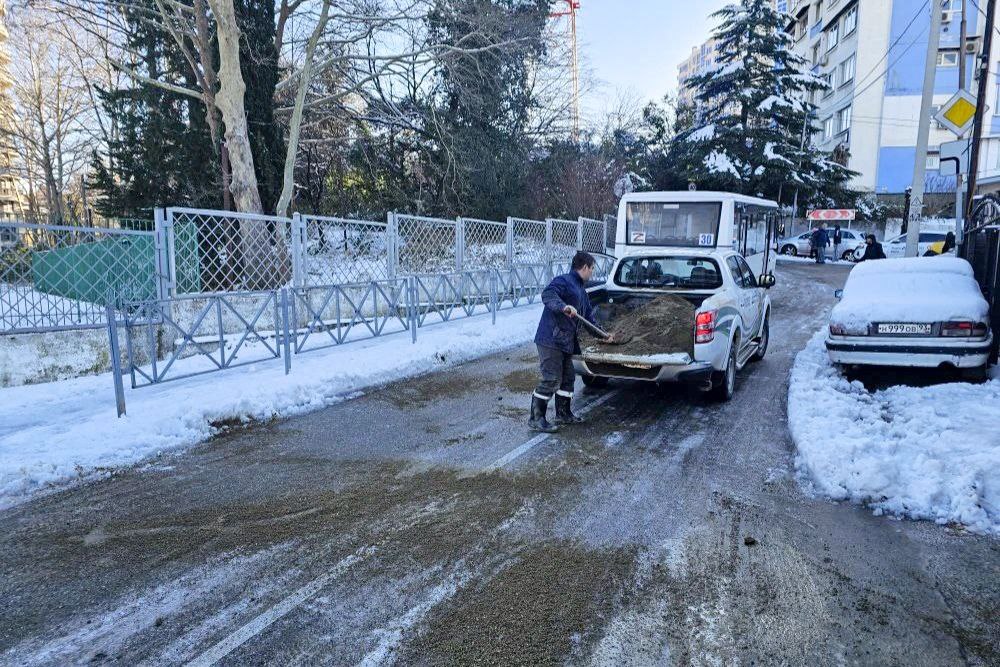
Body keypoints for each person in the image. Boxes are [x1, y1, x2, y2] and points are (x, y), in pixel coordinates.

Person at [530, 251, 609, 432]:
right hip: (551, 339)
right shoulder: (564, 281)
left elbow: (588, 317)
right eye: (592, 269)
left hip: (565, 341)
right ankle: (536, 418)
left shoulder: (581, 289)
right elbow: (548, 294)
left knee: (568, 379)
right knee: (551, 379)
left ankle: (563, 414)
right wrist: (563, 306)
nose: (593, 273)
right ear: (584, 267)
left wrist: (604, 335)